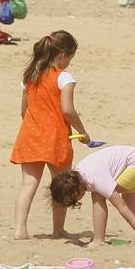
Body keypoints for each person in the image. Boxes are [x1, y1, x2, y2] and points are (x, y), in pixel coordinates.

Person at [9, 31, 91, 240]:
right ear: (63, 55)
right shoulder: (64, 78)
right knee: (61, 185)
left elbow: (23, 110)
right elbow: (68, 110)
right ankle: (58, 230)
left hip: (30, 135)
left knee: (28, 184)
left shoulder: (31, 76)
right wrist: (82, 131)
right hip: (56, 137)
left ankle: (20, 229)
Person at [50, 146, 135, 246]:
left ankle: (98, 239)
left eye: (74, 199)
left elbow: (121, 206)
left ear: (77, 190)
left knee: (99, 196)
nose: (76, 201)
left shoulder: (96, 179)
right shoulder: (80, 173)